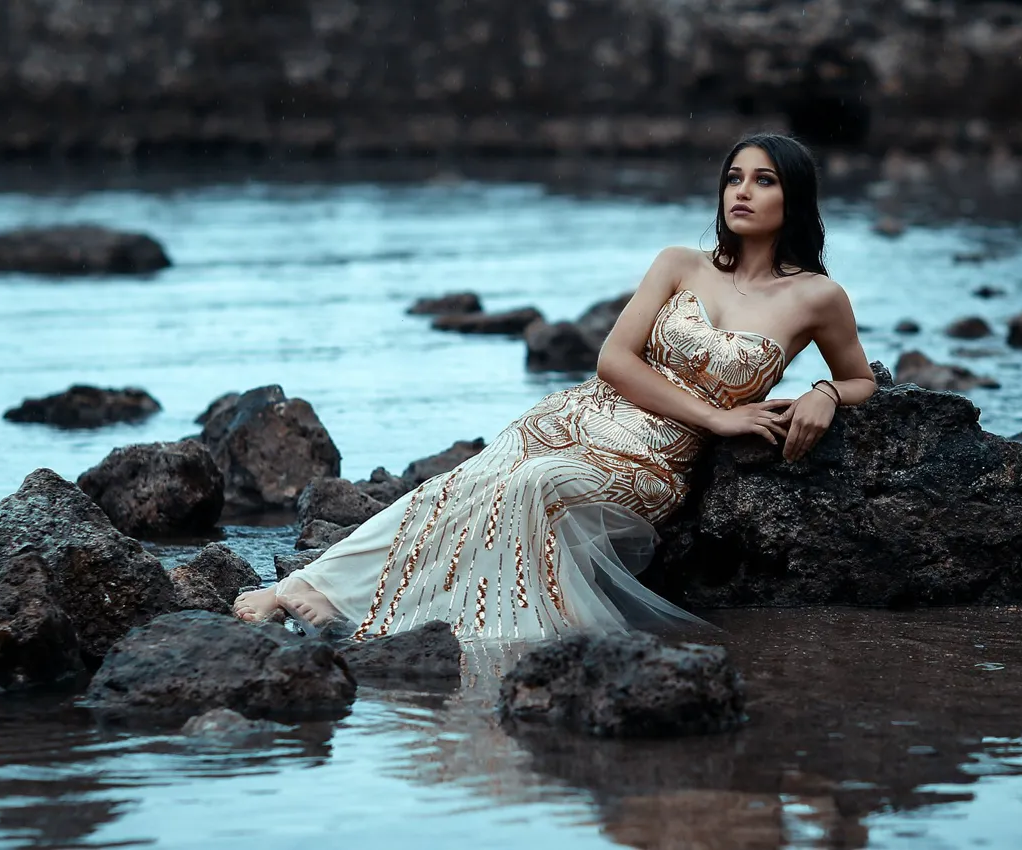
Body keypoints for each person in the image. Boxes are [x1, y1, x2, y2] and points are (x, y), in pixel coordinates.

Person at [234, 133, 877, 641]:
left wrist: (823, 393)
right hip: (578, 416)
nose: (742, 192)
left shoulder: (817, 297)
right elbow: (615, 361)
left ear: (794, 196)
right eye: (733, 178)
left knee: (532, 488)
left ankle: (416, 623)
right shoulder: (680, 264)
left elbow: (861, 380)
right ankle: (309, 586)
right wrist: (719, 418)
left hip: (655, 460)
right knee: (456, 489)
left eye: (763, 180)